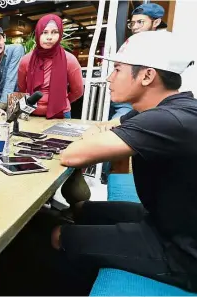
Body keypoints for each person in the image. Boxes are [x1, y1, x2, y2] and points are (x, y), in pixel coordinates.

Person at [51, 31, 197, 293]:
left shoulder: (166, 121)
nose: (109, 77)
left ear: (147, 75)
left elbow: (71, 155)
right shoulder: (166, 109)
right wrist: (98, 133)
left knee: (60, 235)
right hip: (166, 221)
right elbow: (106, 126)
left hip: (182, 253)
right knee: (83, 208)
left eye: (117, 69)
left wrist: (93, 138)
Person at [18, 14, 83, 119]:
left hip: (61, 114)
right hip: (31, 113)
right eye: (44, 32)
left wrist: (60, 102)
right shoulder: (26, 60)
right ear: (38, 33)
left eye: (54, 32)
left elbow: (78, 91)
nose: (49, 37)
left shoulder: (69, 60)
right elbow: (22, 88)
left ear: (60, 34)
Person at [109, 3, 165, 119]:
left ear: (156, 23)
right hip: (123, 96)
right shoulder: (131, 42)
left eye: (140, 22)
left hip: (139, 99)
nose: (134, 27)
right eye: (132, 23)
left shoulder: (161, 46)